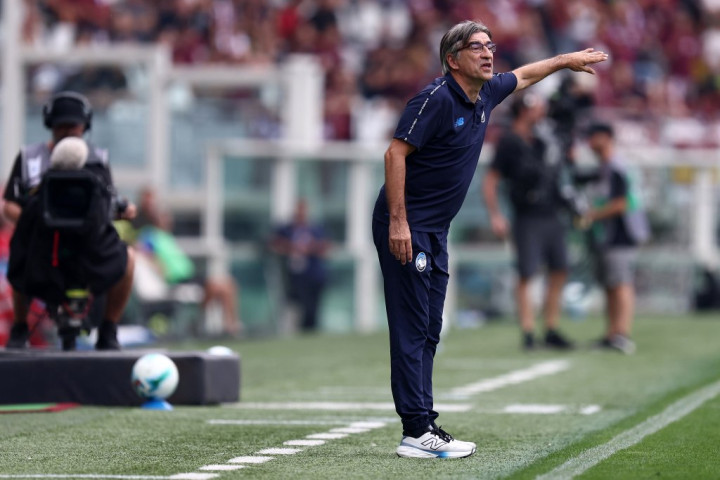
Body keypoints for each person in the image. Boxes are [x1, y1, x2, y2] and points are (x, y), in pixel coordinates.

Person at [371, 20, 607, 459]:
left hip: (435, 229)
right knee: (412, 327)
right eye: (475, 47)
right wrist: (399, 223)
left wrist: (565, 61)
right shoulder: (436, 98)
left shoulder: (485, 94)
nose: (487, 53)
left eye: (490, 45)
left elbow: (527, 75)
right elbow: (394, 154)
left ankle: (423, 425)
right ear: (452, 59)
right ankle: (416, 430)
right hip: (408, 225)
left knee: (430, 329)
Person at [3, 91, 136, 350]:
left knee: (128, 259)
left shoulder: (98, 160)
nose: (67, 132)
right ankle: (19, 328)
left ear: (84, 126)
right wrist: (33, 220)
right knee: (19, 251)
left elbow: (107, 203)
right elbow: (10, 205)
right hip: (42, 245)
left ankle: (108, 330)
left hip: (88, 245)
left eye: (72, 126)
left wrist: (123, 210)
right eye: (60, 126)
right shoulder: (29, 158)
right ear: (50, 125)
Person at [482, 93, 575, 351]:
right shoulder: (509, 141)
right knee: (527, 272)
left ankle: (551, 327)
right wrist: (495, 214)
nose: (543, 112)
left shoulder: (541, 139)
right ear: (525, 110)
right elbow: (491, 180)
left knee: (560, 269)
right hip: (527, 216)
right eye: (538, 108)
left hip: (551, 212)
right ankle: (528, 331)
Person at [576, 122, 649, 354]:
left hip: (622, 233)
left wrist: (591, 215)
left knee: (621, 284)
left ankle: (622, 334)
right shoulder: (607, 166)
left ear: (606, 138)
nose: (590, 142)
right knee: (611, 284)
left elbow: (620, 204)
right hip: (609, 234)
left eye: (593, 136)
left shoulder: (616, 166)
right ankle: (612, 333)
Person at [131, 186, 242, 337]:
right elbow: (139, 251)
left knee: (228, 284)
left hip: (190, 277)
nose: (168, 220)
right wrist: (156, 265)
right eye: (164, 217)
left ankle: (230, 324)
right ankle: (210, 324)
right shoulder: (150, 235)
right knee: (217, 286)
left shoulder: (167, 237)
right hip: (177, 281)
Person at [269, 199, 330, 333]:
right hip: (294, 276)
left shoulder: (316, 229)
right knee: (298, 304)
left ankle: (311, 330)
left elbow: (325, 247)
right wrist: (292, 247)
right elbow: (274, 244)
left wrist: (309, 248)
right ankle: (300, 330)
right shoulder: (286, 229)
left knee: (313, 307)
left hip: (314, 274)